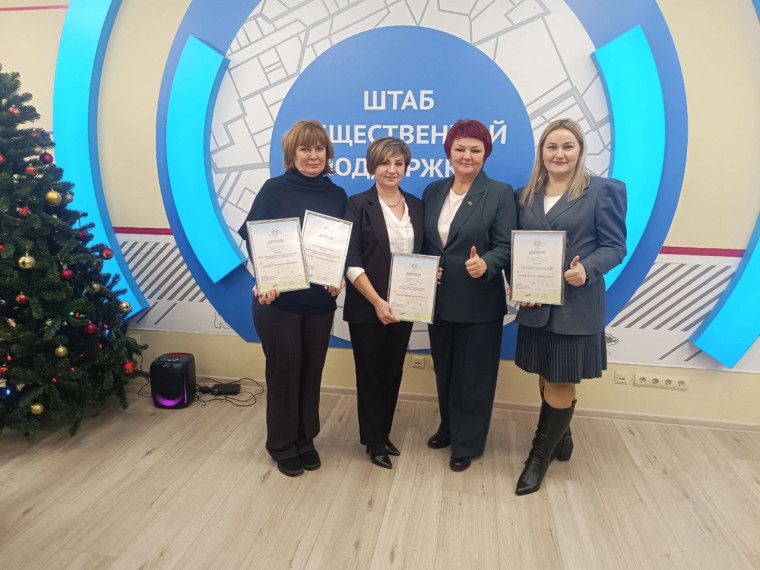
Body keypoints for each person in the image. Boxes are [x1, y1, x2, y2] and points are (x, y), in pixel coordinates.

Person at [513, 118, 627, 495]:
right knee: (545, 374)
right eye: (552, 146)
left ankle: (538, 459)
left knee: (561, 378)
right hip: (536, 302)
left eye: (567, 146)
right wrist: (516, 281)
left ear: (580, 150)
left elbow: (615, 247)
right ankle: (561, 438)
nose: (559, 154)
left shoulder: (603, 191)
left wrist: (587, 270)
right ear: (541, 152)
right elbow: (516, 247)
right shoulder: (524, 195)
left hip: (576, 304)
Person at [238, 120, 347, 478]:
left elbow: (339, 247)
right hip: (279, 300)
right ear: (291, 153)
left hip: (319, 302)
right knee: (285, 373)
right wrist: (263, 278)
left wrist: (337, 276)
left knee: (311, 372)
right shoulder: (274, 189)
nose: (313, 155)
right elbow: (255, 238)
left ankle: (305, 438)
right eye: (305, 149)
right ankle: (282, 444)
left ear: (327, 153)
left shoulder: (337, 194)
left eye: (319, 148)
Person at [422, 119, 517, 472]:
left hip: (479, 301)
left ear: (486, 154)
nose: (467, 155)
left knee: (473, 377)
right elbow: (427, 243)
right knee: (445, 370)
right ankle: (449, 428)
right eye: (459, 148)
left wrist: (487, 263)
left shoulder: (500, 193)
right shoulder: (433, 191)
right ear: (448, 151)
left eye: (475, 150)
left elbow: (506, 245)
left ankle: (468, 442)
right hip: (439, 301)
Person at [343, 137, 424, 470]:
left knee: (393, 372)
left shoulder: (417, 205)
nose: (392, 170)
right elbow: (350, 258)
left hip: (406, 305)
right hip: (368, 306)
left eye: (399, 163)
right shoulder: (357, 204)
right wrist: (377, 301)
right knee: (371, 374)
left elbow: (424, 254)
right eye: (385, 163)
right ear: (372, 167)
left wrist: (431, 274)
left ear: (406, 167)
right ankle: (373, 441)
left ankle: (384, 433)